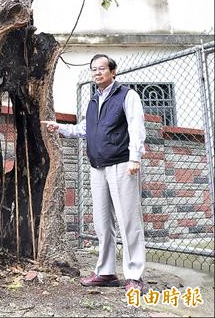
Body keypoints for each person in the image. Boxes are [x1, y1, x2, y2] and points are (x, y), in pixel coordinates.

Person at [43, 54, 146, 293]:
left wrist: (135, 158)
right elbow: (85, 129)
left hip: (122, 164)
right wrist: (60, 127)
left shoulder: (127, 95)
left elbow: (136, 126)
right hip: (97, 167)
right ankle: (106, 272)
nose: (97, 73)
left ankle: (134, 275)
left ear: (113, 71)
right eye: (94, 70)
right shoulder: (93, 100)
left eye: (102, 69)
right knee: (102, 223)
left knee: (128, 221)